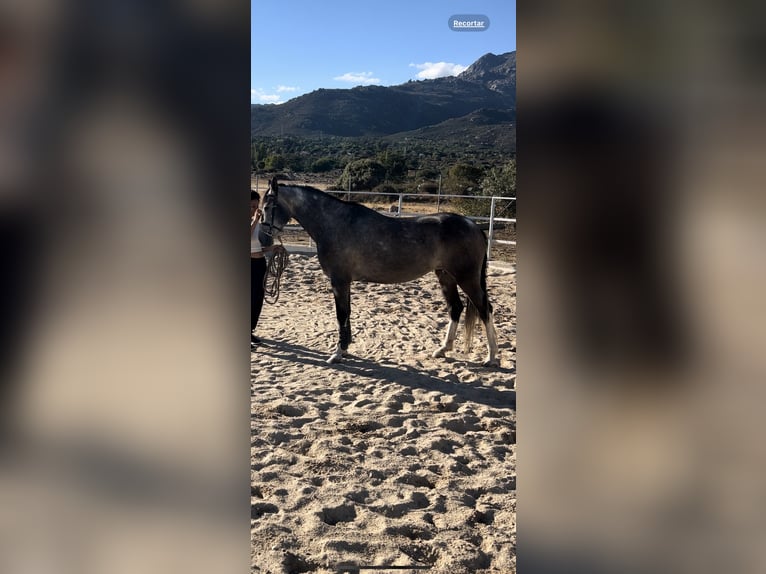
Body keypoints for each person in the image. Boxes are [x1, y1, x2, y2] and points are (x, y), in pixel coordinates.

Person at [251, 190, 285, 345]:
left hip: (259, 263)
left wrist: (273, 249)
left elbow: (257, 248)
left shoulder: (258, 225)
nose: (253, 209)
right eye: (250, 206)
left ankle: (249, 330)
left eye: (255, 206)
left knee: (258, 298)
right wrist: (255, 220)